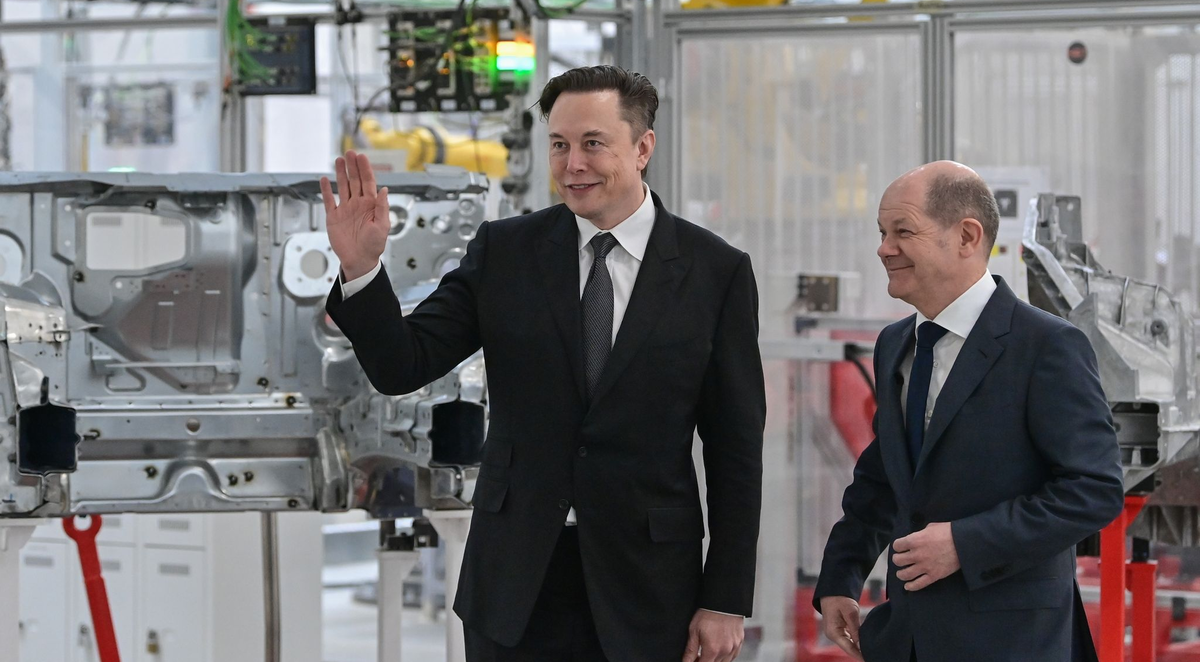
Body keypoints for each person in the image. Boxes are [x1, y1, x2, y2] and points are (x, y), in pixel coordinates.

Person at [320, 65, 765, 662]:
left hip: (649, 588)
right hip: (516, 585)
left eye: (592, 144)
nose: (572, 163)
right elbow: (404, 365)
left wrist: (727, 597)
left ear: (642, 148)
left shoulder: (716, 273)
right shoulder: (505, 252)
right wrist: (362, 271)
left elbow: (737, 450)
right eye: (558, 144)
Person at [814, 161, 1124, 662]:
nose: (883, 248)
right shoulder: (895, 344)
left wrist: (966, 543)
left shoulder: (1046, 347)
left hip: (1012, 642)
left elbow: (1094, 490)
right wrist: (839, 577)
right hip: (906, 638)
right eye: (882, 232)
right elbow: (882, 476)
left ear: (967, 236)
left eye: (903, 231)